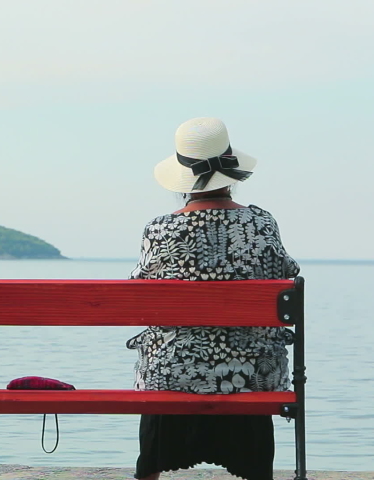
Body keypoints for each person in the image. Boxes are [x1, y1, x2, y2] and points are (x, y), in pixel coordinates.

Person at [127, 117, 299, 480]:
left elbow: (136, 292)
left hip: (171, 377)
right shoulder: (262, 224)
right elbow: (286, 277)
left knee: (164, 362)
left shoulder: (160, 230)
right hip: (251, 378)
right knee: (250, 357)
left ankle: (149, 471)